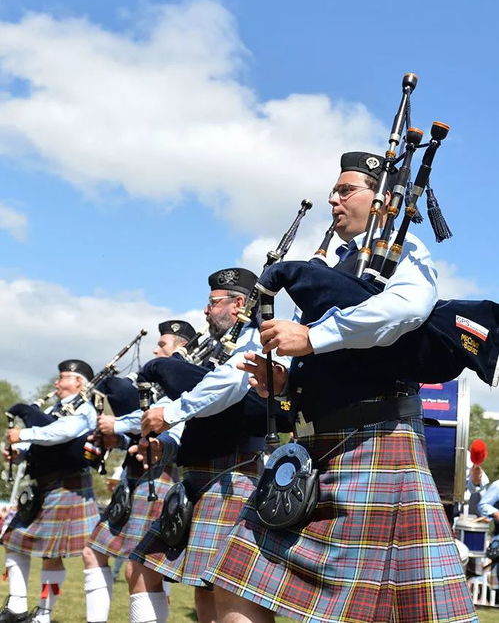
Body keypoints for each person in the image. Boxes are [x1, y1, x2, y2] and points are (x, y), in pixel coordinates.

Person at [200, 152, 478, 622]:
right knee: (234, 580)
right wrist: (286, 383)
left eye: (346, 190)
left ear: (383, 200)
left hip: (377, 443)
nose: (334, 198)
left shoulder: (406, 253)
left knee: (390, 612)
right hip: (317, 445)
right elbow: (341, 360)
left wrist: (312, 336)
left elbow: (407, 310)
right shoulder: (343, 267)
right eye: (335, 190)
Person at [128, 268, 274, 623]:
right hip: (199, 474)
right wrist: (166, 446)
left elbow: (226, 391)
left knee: (230, 593)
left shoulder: (254, 342)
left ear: (238, 304)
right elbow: (197, 416)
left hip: (234, 473)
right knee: (148, 571)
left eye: (213, 303)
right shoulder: (213, 351)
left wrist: (171, 410)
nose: (206, 311)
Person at [82, 320, 197, 623]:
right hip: (136, 478)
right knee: (96, 552)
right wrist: (117, 437)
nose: (155, 350)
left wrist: (117, 424)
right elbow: (142, 425)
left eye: (162, 345)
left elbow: (163, 417)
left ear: (180, 348)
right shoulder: (157, 385)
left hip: (161, 478)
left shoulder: (182, 379)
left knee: (144, 567)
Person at [1, 360, 100, 623]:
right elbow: (39, 441)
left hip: (69, 485)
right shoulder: (53, 408)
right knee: (13, 540)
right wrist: (19, 453)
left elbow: (61, 433)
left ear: (80, 383)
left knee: (52, 554)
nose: (57, 383)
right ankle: (17, 607)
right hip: (43, 486)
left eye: (63, 377)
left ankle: (43, 615)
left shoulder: (85, 411)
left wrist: (24, 434)